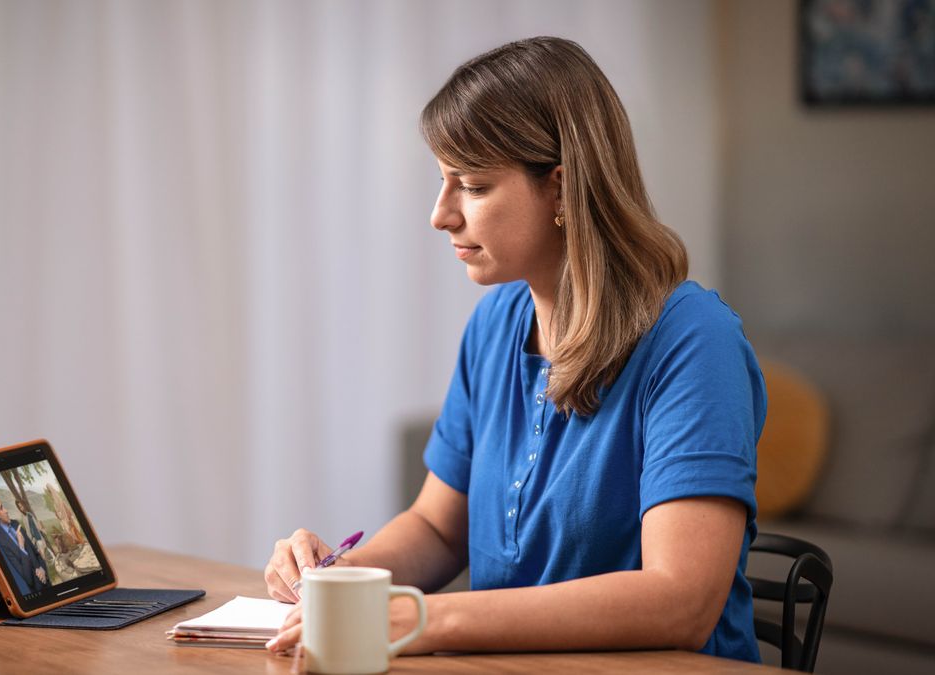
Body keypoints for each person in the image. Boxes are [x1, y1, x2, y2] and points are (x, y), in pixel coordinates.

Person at [263, 36, 766, 663]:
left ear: (560, 188)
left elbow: (680, 602)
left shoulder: (694, 342)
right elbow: (438, 527)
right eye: (443, 183)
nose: (440, 215)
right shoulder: (495, 323)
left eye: (471, 186)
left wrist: (427, 619)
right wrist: (341, 581)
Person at [0, 489, 50, 593]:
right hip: (39, 593)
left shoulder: (16, 524)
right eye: (2, 508)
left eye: (4, 506)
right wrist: (21, 547)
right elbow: (28, 579)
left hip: (48, 583)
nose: (6, 510)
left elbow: (36, 553)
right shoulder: (2, 541)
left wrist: (42, 569)